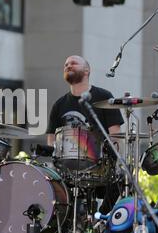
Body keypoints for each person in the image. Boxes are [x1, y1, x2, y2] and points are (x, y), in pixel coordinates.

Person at [46, 55, 124, 215]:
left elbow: (116, 135)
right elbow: (51, 139)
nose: (68, 66)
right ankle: (66, 225)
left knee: (120, 180)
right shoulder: (59, 104)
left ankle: (100, 221)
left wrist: (115, 161)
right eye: (66, 64)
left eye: (73, 63)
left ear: (87, 70)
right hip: (67, 169)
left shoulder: (104, 97)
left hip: (99, 165)